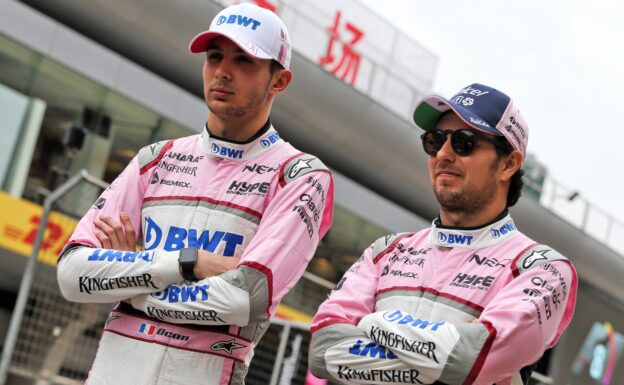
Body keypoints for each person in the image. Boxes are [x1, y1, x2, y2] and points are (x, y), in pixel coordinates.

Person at [56, 3, 333, 385]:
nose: (222, 70)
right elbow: (72, 275)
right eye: (214, 56)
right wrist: (187, 262)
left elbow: (243, 300)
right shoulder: (155, 159)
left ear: (279, 81)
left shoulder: (300, 176)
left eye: (244, 60)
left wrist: (127, 279)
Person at [308, 83, 577, 385]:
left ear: (508, 164)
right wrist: (440, 362)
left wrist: (373, 323)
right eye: (435, 141)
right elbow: (323, 351)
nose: (444, 154)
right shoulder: (386, 250)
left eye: (464, 142)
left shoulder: (542, 269)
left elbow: (470, 359)